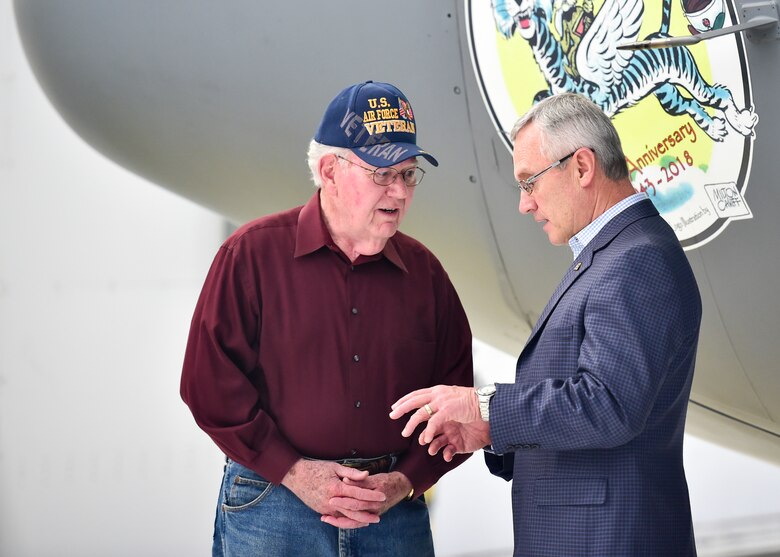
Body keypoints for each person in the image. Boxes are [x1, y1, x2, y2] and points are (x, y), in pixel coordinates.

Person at [391, 92, 702, 557]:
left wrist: (487, 407)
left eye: (529, 181)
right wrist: (490, 431)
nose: (524, 205)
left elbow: (608, 403)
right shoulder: (611, 256)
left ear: (581, 167)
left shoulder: (636, 260)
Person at [180, 80, 473, 557]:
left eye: (409, 173)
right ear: (330, 170)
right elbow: (206, 386)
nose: (399, 191)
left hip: (391, 515)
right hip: (273, 505)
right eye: (382, 173)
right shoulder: (250, 255)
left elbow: (457, 405)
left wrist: (405, 480)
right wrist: (295, 471)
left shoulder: (427, 275)